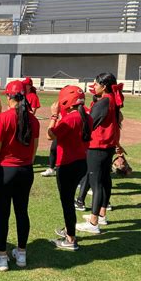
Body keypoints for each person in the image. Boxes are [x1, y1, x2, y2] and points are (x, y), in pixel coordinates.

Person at [0, 80, 40, 271]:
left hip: (4, 172)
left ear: (8, 97)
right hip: (25, 170)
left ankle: (1, 257)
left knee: (3, 214)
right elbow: (34, 148)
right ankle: (21, 254)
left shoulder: (3, 118)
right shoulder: (33, 119)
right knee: (22, 212)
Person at [76, 73, 125, 234]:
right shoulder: (111, 99)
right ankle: (101, 214)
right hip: (107, 147)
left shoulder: (104, 101)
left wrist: (79, 112)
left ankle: (93, 221)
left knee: (96, 183)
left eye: (96, 84)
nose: (94, 86)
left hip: (98, 147)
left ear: (104, 86)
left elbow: (89, 124)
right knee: (104, 180)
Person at [47, 86, 93, 250]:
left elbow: (50, 134)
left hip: (67, 164)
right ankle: (69, 230)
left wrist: (54, 115)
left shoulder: (70, 119)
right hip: (81, 162)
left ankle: (70, 239)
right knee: (69, 199)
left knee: (67, 203)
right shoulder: (86, 117)